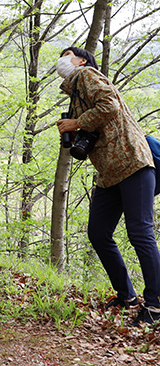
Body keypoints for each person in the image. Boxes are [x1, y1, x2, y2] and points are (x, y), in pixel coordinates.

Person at [55, 47, 160, 326]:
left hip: (132, 162)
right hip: (108, 173)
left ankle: (155, 303)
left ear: (81, 61)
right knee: (99, 232)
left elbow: (110, 105)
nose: (62, 59)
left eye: (68, 54)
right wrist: (75, 129)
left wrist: (77, 122)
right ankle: (126, 295)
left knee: (140, 232)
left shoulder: (87, 74)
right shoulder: (75, 93)